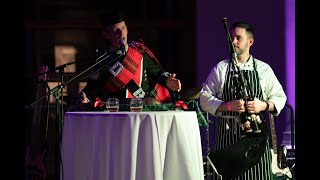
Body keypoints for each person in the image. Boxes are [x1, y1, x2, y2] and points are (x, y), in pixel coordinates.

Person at [199, 21, 287, 180]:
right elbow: (204, 99)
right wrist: (227, 106)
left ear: (250, 41)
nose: (234, 42)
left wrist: (263, 105)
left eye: (238, 38)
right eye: (232, 38)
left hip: (256, 140)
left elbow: (280, 98)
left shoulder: (263, 69)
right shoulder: (221, 68)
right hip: (228, 140)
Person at [77, 11, 181, 109]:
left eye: (123, 28)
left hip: (144, 109)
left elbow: (158, 73)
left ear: (127, 29)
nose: (120, 33)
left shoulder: (140, 51)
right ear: (106, 35)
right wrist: (85, 98)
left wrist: (167, 80)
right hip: (119, 113)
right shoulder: (102, 62)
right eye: (115, 30)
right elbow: (91, 92)